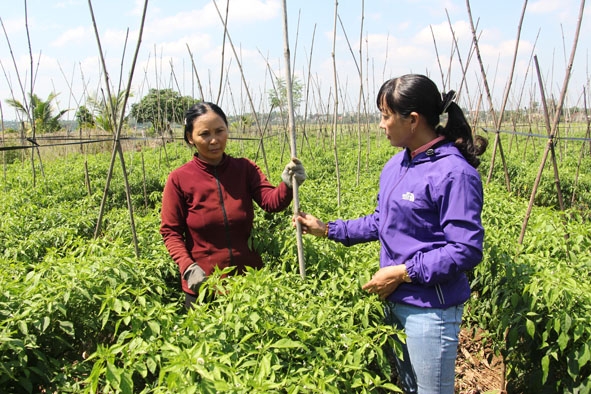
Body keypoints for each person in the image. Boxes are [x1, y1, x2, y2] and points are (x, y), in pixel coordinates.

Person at [295, 74, 487, 394]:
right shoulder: (396, 166)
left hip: (430, 310)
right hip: (394, 303)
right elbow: (381, 222)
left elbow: (465, 249)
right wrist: (327, 229)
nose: (381, 125)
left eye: (385, 116)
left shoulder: (453, 172)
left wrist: (403, 272)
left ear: (412, 120)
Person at [160, 102, 306, 309]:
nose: (214, 140)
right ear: (190, 138)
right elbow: (170, 232)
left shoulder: (244, 168)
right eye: (204, 134)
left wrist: (288, 185)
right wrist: (187, 267)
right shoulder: (179, 179)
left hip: (250, 283)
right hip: (203, 285)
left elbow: (271, 202)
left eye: (220, 131)